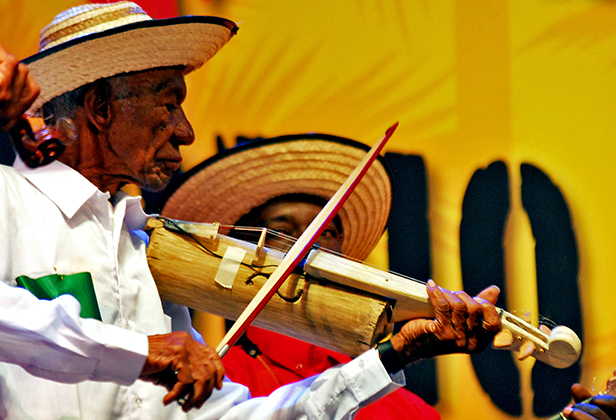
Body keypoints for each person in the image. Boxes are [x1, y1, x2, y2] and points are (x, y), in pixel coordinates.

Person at [0, 2, 503, 419]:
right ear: (101, 109)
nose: (185, 131)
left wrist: (394, 353)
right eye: (169, 103)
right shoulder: (9, 199)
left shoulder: (143, 250)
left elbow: (232, 416)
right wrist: (145, 353)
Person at [159, 134, 443, 419]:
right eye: (281, 232)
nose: (310, 245)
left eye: (326, 232)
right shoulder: (212, 384)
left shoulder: (412, 411)